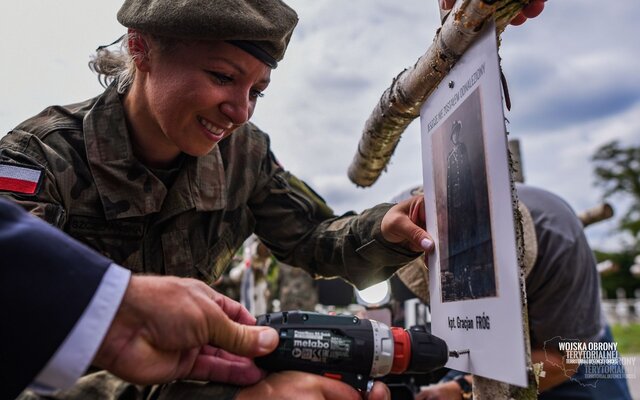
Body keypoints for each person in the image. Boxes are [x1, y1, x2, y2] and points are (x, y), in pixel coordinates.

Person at [0, 1, 430, 399]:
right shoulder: (37, 162)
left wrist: (385, 230)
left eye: (257, 91)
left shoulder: (244, 155)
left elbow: (314, 237)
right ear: (141, 47)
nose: (241, 112)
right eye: (223, 77)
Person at [0, 198, 279, 400]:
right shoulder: (44, 148)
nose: (240, 114)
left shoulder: (249, 159)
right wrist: (116, 304)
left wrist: (117, 310)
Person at [410, 184, 632, 399]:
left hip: (571, 353)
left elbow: (563, 359)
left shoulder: (559, 242)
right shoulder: (409, 218)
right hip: (488, 347)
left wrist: (462, 390)